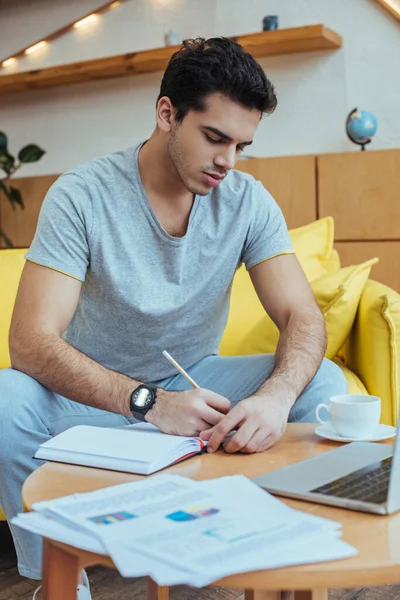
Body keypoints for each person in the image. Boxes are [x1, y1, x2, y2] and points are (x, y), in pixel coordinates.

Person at [0, 37, 347, 597]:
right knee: (4, 397)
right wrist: (152, 404)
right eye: (214, 138)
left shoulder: (247, 200)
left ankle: (282, 554)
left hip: (197, 386)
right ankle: (62, 584)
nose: (227, 163)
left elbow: (301, 316)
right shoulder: (82, 196)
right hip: (92, 402)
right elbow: (31, 343)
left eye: (241, 145)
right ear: (167, 113)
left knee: (322, 381)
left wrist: (275, 398)